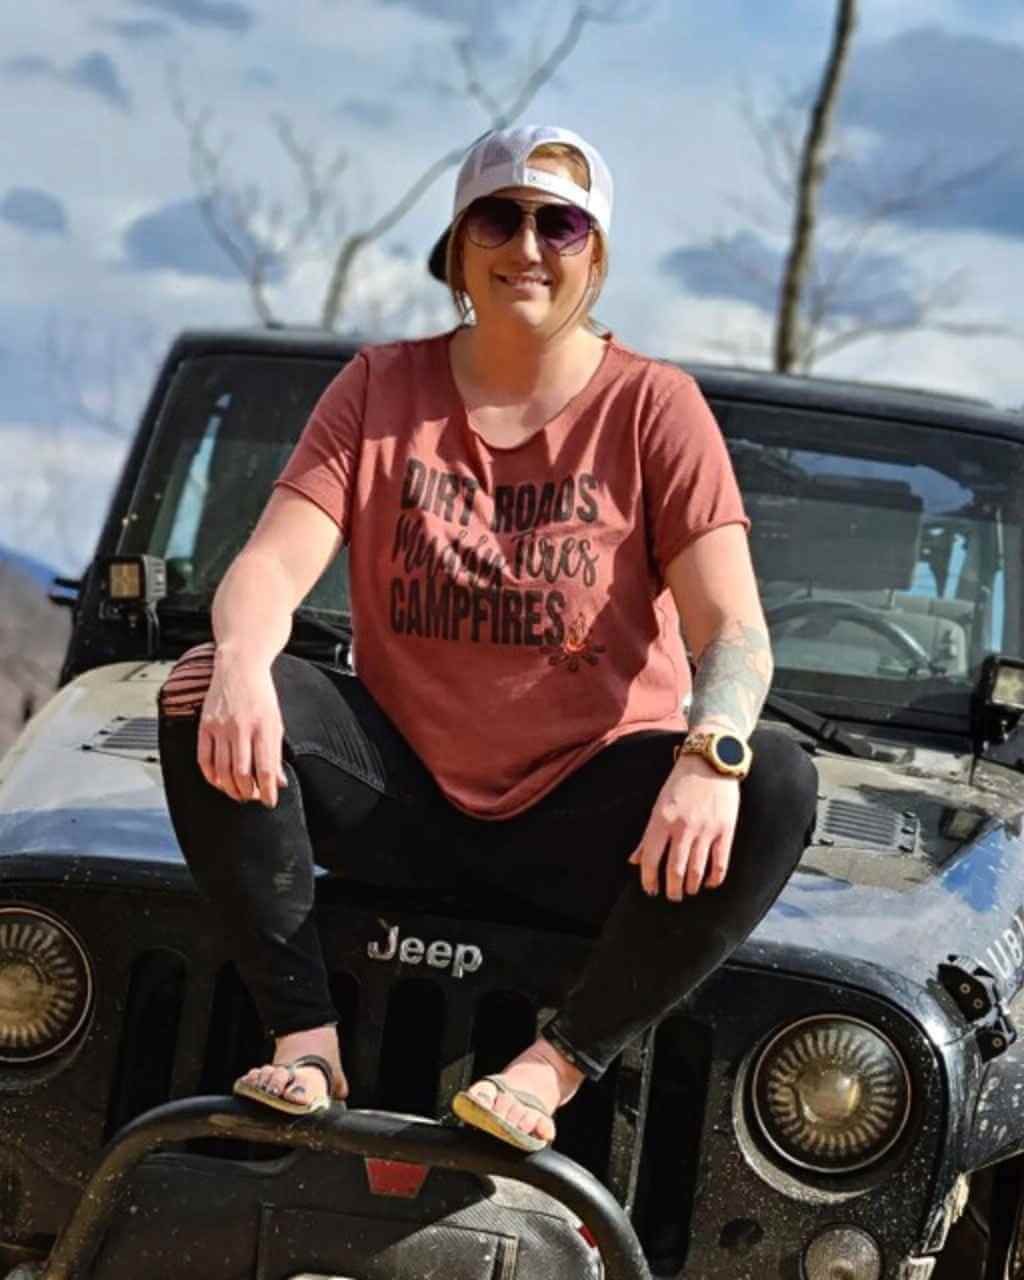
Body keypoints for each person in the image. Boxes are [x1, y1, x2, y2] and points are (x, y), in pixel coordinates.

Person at [157, 124, 818, 1153]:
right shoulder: (380, 388)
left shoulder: (654, 408)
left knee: (774, 778)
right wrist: (242, 660)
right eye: (498, 219)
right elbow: (271, 566)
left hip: (587, 822)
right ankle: (306, 1040)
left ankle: (551, 1069)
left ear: (597, 254)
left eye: (561, 225)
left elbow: (733, 628)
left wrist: (712, 750)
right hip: (400, 799)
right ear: (459, 246)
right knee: (201, 683)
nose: (528, 247)